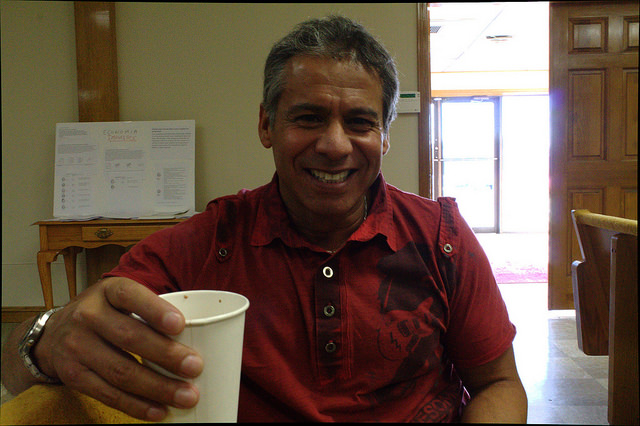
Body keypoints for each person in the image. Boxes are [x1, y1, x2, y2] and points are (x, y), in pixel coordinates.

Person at [1, 15, 527, 422]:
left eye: (360, 123)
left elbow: (498, 384)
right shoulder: (205, 244)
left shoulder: (444, 239)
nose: (334, 145)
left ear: (385, 138)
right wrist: (44, 338)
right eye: (308, 117)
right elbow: (16, 365)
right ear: (266, 125)